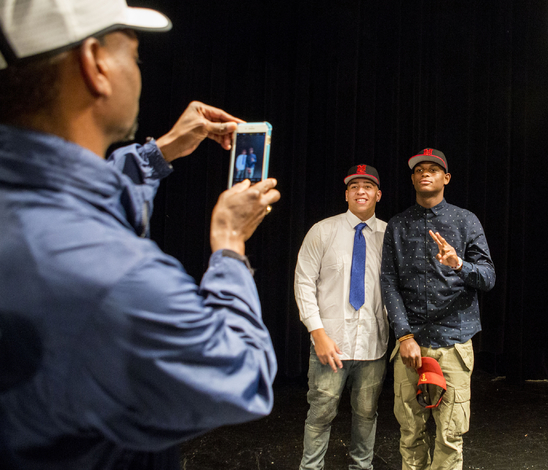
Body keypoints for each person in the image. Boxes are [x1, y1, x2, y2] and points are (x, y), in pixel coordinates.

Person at [0, 0, 280, 469]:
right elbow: (242, 379)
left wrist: (161, 152)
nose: (139, 70)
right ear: (94, 65)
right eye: (133, 54)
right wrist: (230, 244)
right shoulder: (110, 273)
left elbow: (78, 190)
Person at [381, 148, 496, 470]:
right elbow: (388, 283)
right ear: (413, 179)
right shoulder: (398, 225)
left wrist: (459, 264)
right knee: (410, 432)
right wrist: (404, 335)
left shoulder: (465, 220)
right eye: (419, 170)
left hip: (455, 343)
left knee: (450, 435)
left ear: (445, 178)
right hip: (411, 344)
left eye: (432, 169)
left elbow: (488, 278)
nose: (424, 174)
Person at [294, 164, 389, 470]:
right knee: (321, 411)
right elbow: (304, 282)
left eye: (367, 186)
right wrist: (316, 333)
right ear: (346, 194)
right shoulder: (322, 231)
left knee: (366, 414)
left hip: (373, 344)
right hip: (330, 343)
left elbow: (396, 289)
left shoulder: (390, 236)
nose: (361, 191)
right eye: (354, 186)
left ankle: (361, 467)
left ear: (378, 194)